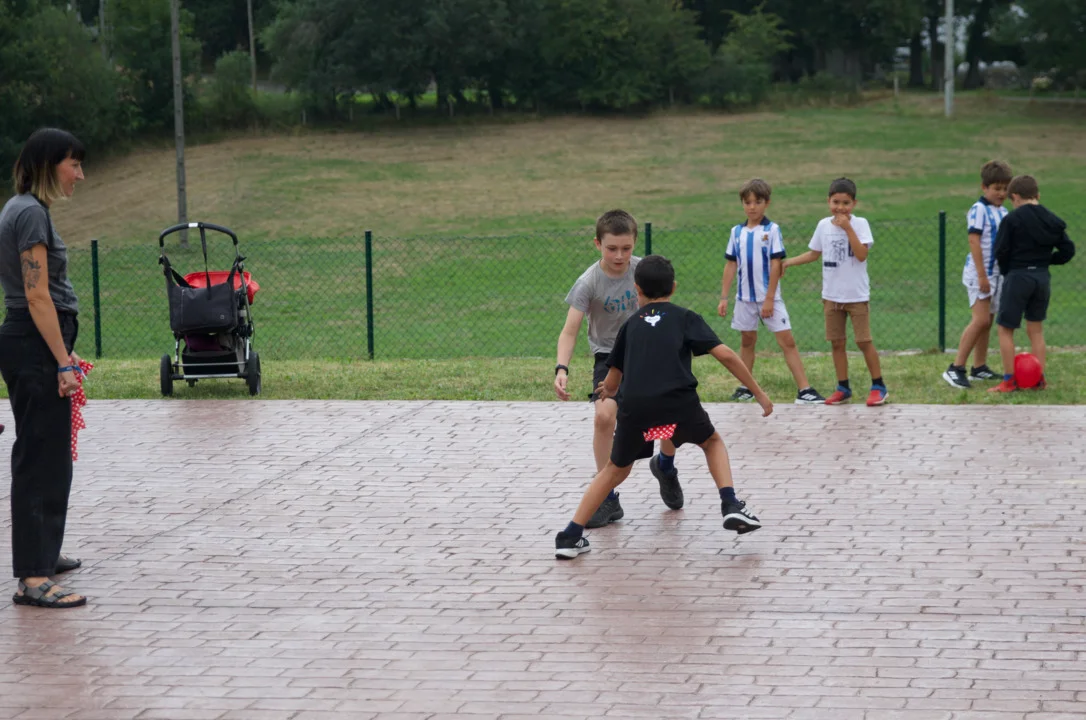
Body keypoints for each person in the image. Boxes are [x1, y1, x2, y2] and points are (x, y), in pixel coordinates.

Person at [554, 255, 772, 559]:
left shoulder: (630, 326)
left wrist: (609, 389)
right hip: (678, 403)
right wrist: (758, 392)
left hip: (636, 408)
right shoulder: (685, 317)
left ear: (636, 289)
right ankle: (730, 503)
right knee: (711, 442)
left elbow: (613, 378)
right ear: (674, 287)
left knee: (614, 470)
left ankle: (569, 536)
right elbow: (726, 355)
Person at [0, 128, 88, 608]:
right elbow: (37, 295)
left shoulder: (22, 208)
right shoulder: (30, 213)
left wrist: (62, 354)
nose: (79, 174)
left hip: (36, 345)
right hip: (35, 348)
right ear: (49, 165)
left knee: (51, 457)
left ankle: (44, 554)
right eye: (73, 164)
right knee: (40, 460)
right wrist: (60, 361)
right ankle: (33, 578)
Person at [554, 210, 682, 529]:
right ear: (598, 244)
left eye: (626, 248)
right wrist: (561, 368)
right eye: (612, 248)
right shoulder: (588, 282)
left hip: (647, 353)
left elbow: (666, 308)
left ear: (634, 243)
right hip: (608, 357)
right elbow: (569, 330)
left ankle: (665, 466)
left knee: (664, 416)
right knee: (603, 416)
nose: (619, 256)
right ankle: (607, 497)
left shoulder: (643, 272)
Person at [717, 178, 825, 405]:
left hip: (770, 299)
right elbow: (730, 264)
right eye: (747, 202)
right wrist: (724, 297)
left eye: (757, 202)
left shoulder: (772, 230)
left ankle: (804, 390)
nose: (752, 207)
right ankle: (746, 387)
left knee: (787, 341)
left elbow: (776, 265)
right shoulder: (736, 232)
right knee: (747, 341)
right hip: (744, 300)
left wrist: (768, 298)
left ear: (767, 203)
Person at [782, 177, 887, 407]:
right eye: (836, 202)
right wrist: (788, 262)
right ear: (828, 201)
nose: (840, 207)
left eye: (846, 203)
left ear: (854, 204)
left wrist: (848, 228)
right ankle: (843, 387)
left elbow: (861, 254)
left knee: (863, 341)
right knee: (837, 342)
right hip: (831, 296)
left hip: (856, 296)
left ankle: (878, 386)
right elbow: (814, 253)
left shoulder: (860, 224)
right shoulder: (823, 226)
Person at [988, 174, 1075, 393]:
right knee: (1035, 330)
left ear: (1015, 196)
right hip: (1042, 278)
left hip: (1018, 276)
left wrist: (1009, 271)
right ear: (1037, 195)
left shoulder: (1012, 220)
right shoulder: (1052, 220)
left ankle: (1009, 381)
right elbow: (1068, 250)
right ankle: (1038, 380)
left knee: (1005, 329)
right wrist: (1047, 261)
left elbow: (1000, 251)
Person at [942, 160, 1013, 389]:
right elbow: (974, 240)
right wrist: (982, 276)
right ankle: (955, 368)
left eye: (1005, 189)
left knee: (988, 321)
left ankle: (979, 367)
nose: (1001, 193)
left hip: (997, 274)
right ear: (984, 187)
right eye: (997, 188)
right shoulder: (978, 210)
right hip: (980, 273)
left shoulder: (1003, 212)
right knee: (980, 319)